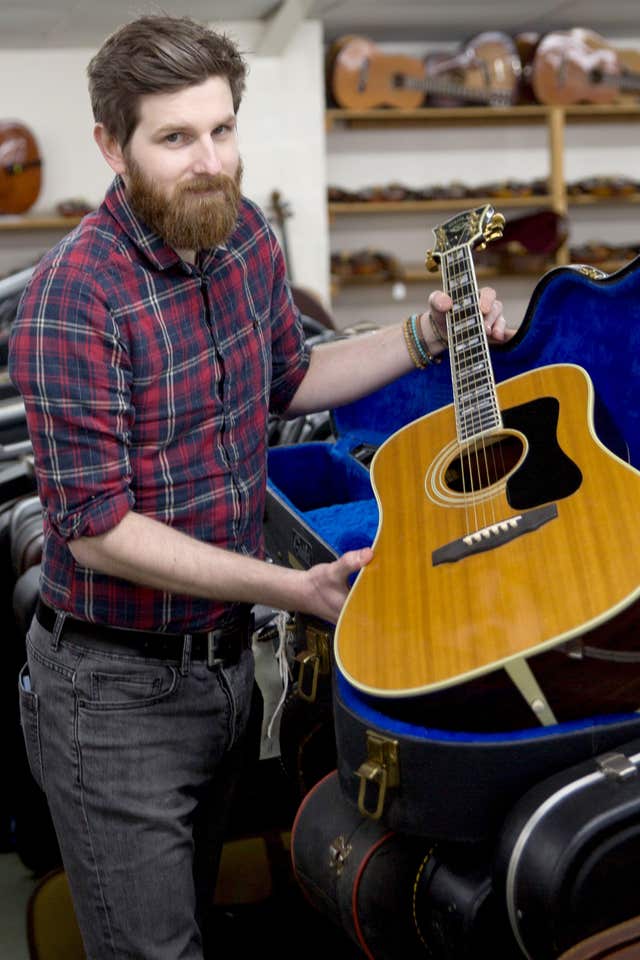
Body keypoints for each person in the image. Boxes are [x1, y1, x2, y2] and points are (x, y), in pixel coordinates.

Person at [8, 14, 512, 960]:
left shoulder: (241, 238)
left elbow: (291, 378)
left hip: (228, 669)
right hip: (113, 695)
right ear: (110, 146)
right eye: (175, 138)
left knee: (200, 912)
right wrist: (292, 589)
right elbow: (96, 529)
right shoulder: (72, 300)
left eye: (222, 128)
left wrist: (424, 337)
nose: (209, 161)